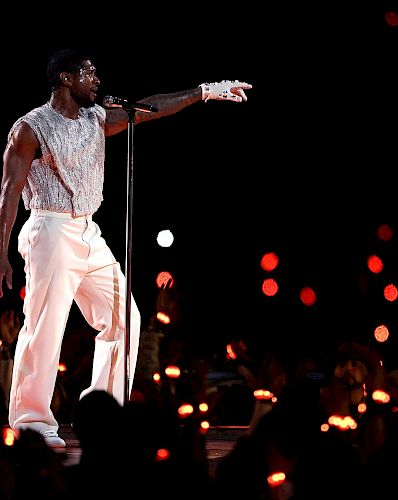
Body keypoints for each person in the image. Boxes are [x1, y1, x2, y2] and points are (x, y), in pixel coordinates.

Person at [0, 48, 252, 448]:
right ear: (66, 79)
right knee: (45, 327)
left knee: (124, 320)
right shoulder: (31, 127)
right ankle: (31, 421)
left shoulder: (95, 118)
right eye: (89, 73)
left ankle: (103, 414)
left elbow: (153, 110)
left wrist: (203, 91)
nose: (97, 79)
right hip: (49, 228)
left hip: (88, 230)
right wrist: (2, 253)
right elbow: (9, 191)